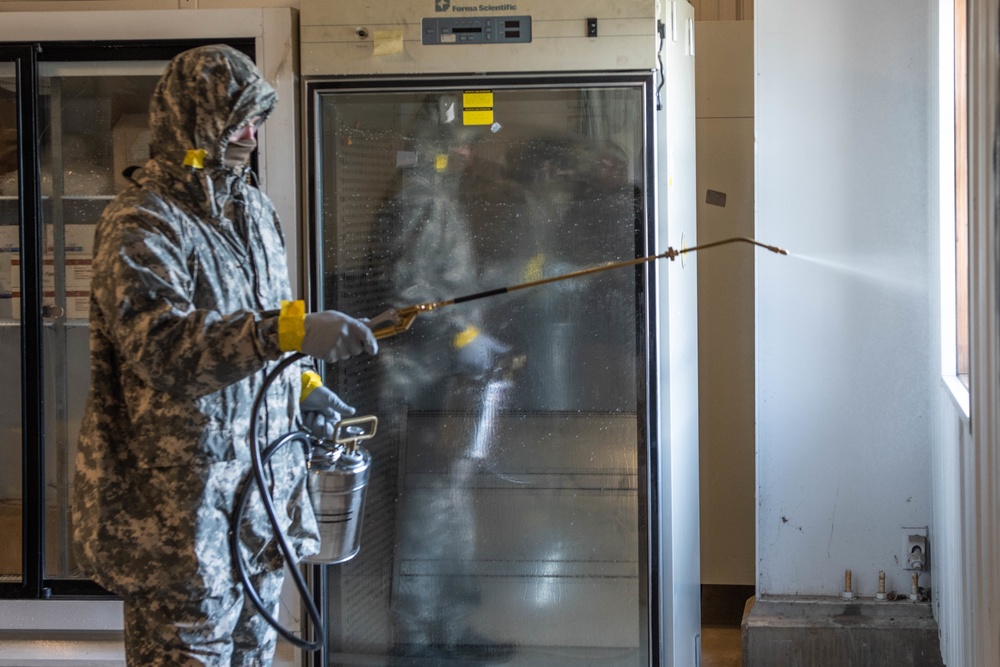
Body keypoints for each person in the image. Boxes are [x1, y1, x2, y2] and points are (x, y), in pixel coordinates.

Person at [71, 44, 377, 667]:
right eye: (235, 119)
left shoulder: (253, 211)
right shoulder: (141, 221)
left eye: (257, 118)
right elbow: (165, 349)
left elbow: (266, 319)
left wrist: (302, 389)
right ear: (189, 121)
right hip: (180, 517)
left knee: (252, 655)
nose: (249, 134)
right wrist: (287, 334)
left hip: (260, 503)